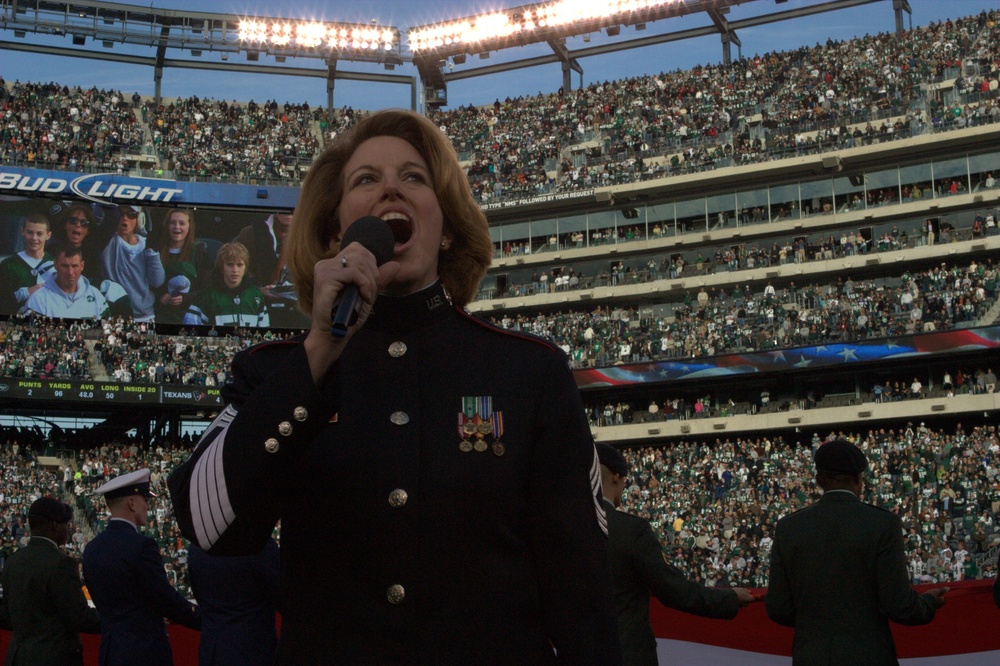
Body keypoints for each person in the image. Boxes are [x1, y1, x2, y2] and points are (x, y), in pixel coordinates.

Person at [168, 109, 620, 664]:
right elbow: (208, 523)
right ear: (336, 230)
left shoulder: (529, 371)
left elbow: (583, 596)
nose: (389, 188)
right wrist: (320, 351)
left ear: (447, 226)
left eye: (413, 177)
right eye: (365, 180)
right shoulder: (274, 372)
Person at [765, 439, 948, 665]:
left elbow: (778, 607)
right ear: (859, 480)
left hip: (812, 656)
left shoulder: (788, 528)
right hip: (869, 655)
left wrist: (816, 622)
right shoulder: (883, 524)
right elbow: (899, 606)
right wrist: (928, 602)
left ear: (819, 481)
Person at [596, 442, 753, 665]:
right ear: (616, 477)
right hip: (626, 653)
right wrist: (729, 597)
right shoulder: (630, 530)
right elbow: (674, 590)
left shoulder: (555, 530)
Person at [82, 468, 201, 666]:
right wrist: (205, 619)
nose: (147, 506)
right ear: (131, 502)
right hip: (143, 652)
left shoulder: (92, 549)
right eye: (145, 499)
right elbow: (164, 599)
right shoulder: (142, 546)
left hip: (111, 652)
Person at [0, 496, 101, 666]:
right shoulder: (61, 563)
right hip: (54, 658)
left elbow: (7, 614)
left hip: (18, 657)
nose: (67, 529)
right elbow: (78, 617)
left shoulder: (13, 560)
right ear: (55, 525)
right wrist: (116, 619)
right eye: (65, 524)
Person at [187, 537, 281, 666]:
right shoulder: (259, 544)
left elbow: (199, 596)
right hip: (253, 652)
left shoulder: (197, 547)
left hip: (211, 652)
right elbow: (284, 598)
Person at [234, 210, 306, 327]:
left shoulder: (310, 235)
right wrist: (257, 290)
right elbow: (235, 272)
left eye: (292, 210)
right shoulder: (251, 233)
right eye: (283, 210)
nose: (288, 214)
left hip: (299, 310)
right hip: (261, 305)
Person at [147, 208, 213, 324]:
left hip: (191, 318)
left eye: (182, 223)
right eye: (172, 222)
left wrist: (186, 298)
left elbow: (208, 289)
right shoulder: (155, 251)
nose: (177, 227)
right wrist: (160, 297)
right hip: (160, 318)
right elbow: (146, 284)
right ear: (167, 225)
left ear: (189, 226)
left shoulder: (200, 254)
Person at [100, 204, 165, 322]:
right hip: (115, 316)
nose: (125, 218)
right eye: (120, 214)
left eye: (131, 214)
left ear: (139, 219)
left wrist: (153, 254)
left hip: (145, 317)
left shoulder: (147, 244)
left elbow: (157, 281)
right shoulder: (107, 242)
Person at [181, 242, 270, 328]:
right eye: (230, 264)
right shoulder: (206, 297)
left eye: (239, 265)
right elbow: (191, 331)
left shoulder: (256, 295)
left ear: (245, 268)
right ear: (221, 267)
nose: (235, 270)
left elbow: (265, 333)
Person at [23, 245, 110, 319]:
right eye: (64, 266)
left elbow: (106, 332)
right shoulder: (38, 299)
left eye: (75, 266)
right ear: (55, 265)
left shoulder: (96, 296)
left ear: (82, 266)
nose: (70, 272)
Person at [0, 212, 54, 315]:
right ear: (22, 232)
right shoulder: (8, 265)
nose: (34, 238)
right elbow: (3, 302)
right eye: (30, 232)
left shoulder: (57, 264)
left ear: (48, 235)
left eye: (39, 234)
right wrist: (28, 291)